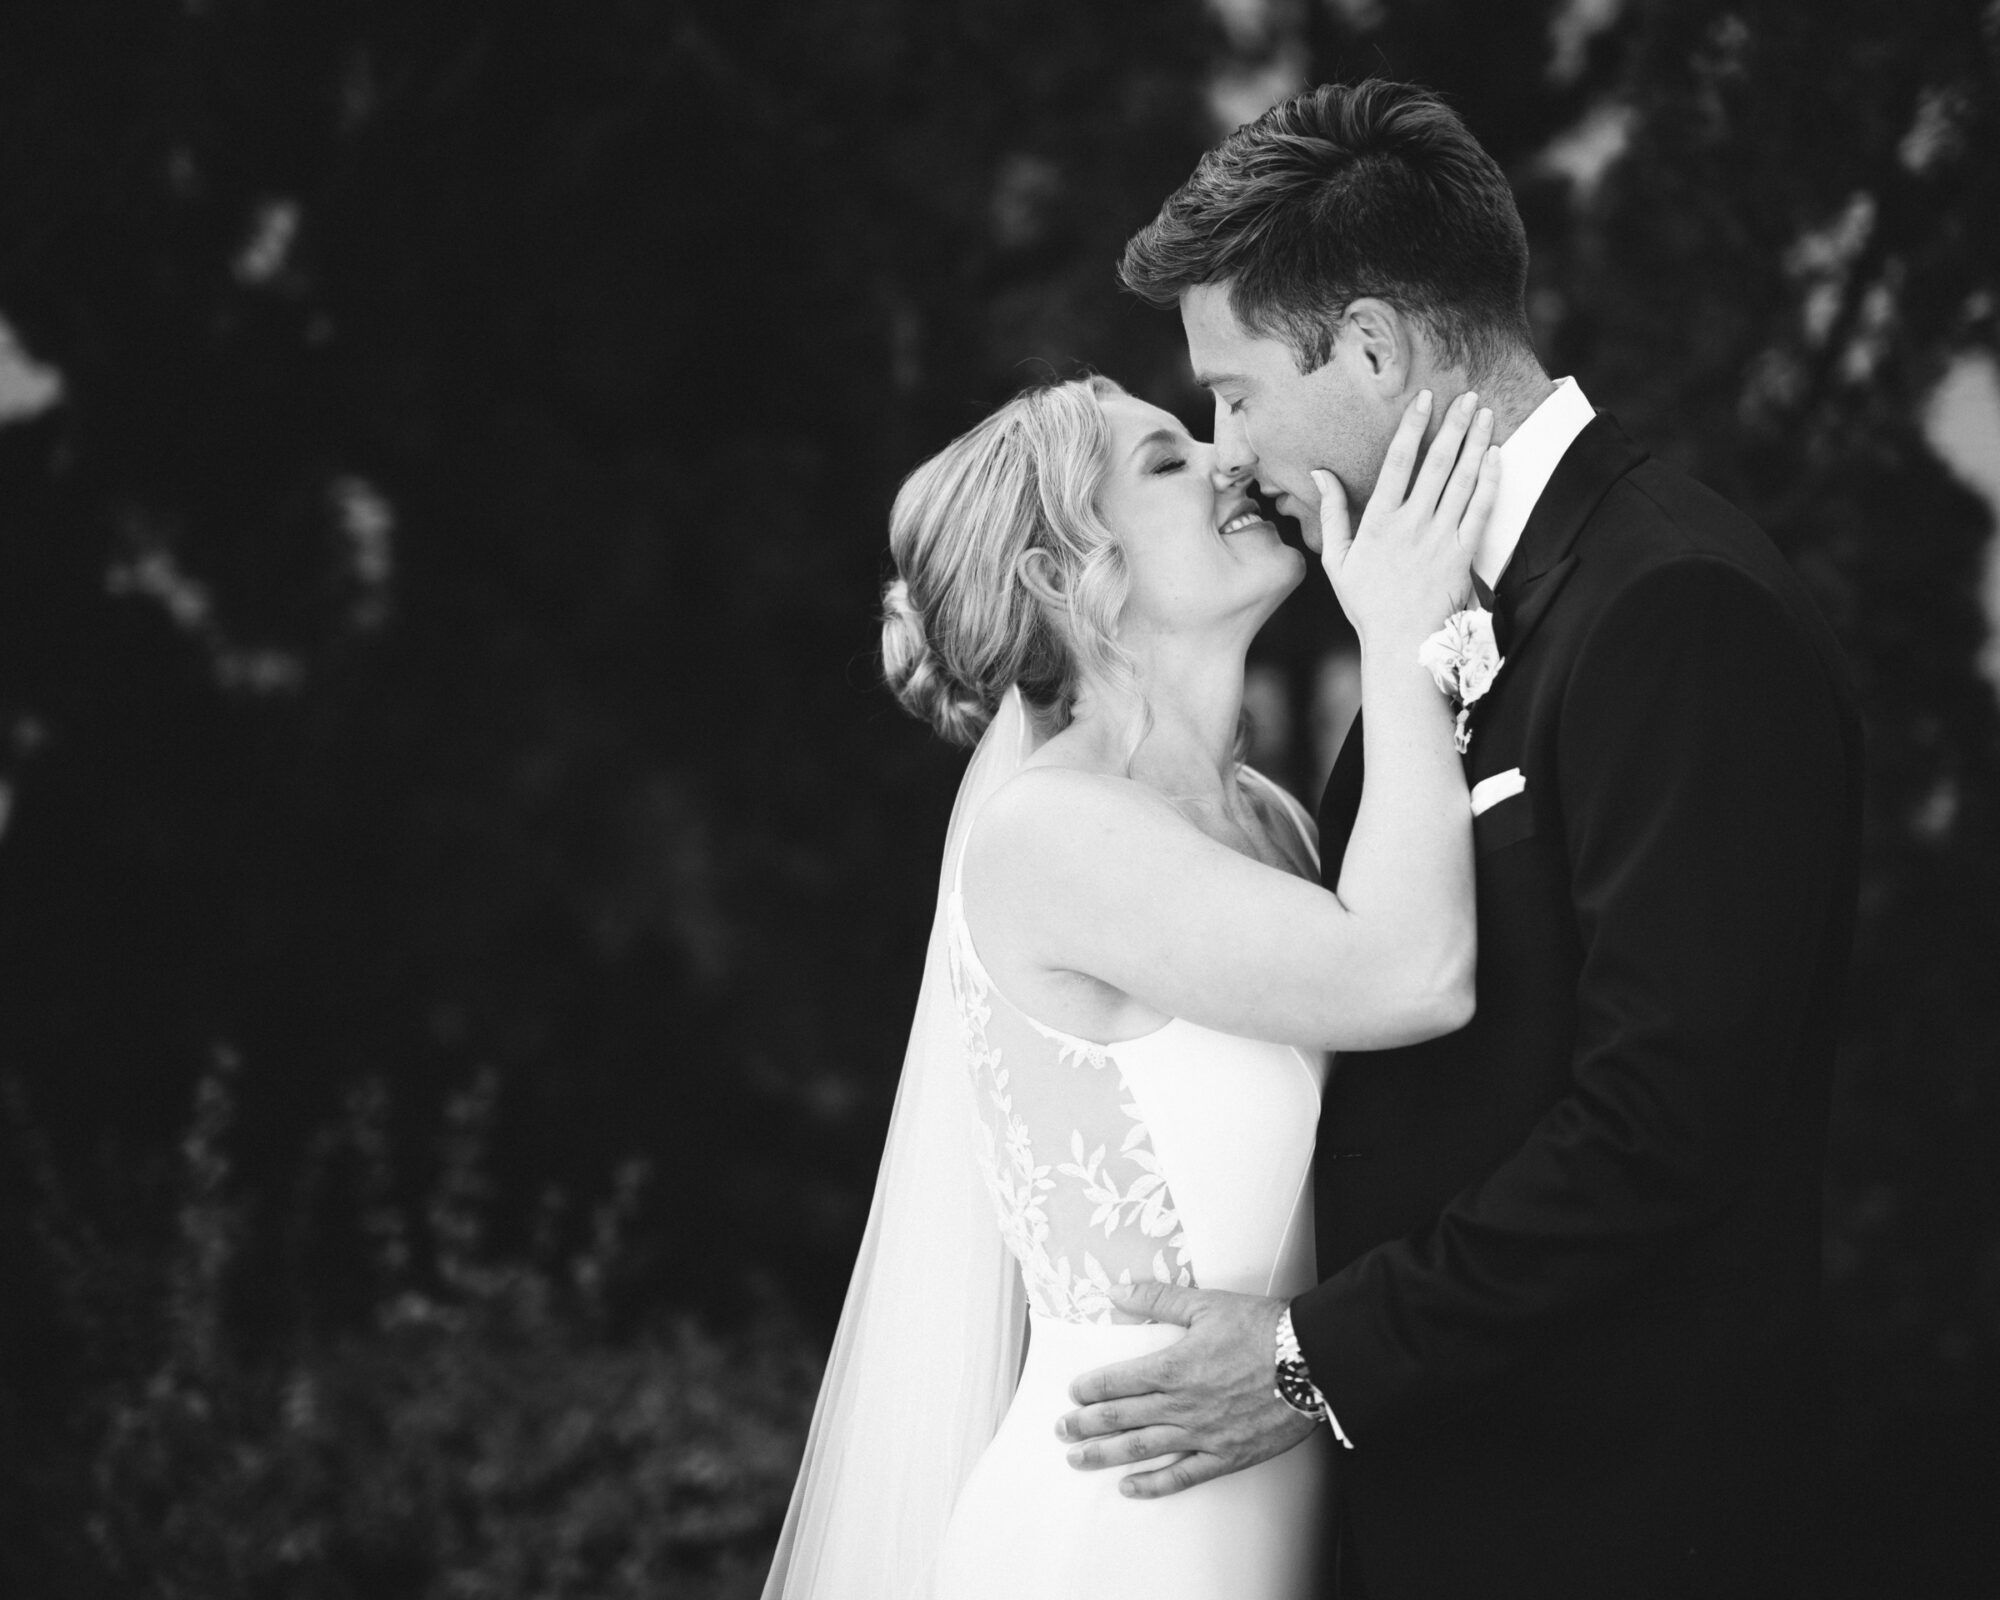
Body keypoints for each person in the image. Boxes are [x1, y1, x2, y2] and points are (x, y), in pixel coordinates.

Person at [1054, 79, 1864, 1600]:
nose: (1227, 453)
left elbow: (1664, 1131)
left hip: (1622, 1534)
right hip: (1448, 1516)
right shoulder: (1428, 612)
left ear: (1371, 349)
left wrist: (1308, 1362)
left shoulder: (1674, 609)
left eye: (1235, 392)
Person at [760, 366, 1500, 1599]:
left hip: (1276, 1509)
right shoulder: (1051, 836)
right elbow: (1414, 972)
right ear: (1062, 576)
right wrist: (1399, 633)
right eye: (1163, 461)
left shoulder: (1267, 821)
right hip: (1117, 1531)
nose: (1224, 460)